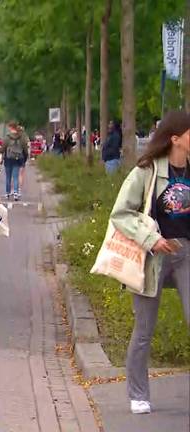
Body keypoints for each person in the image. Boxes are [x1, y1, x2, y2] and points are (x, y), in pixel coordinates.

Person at [109, 110, 190, 415]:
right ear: (175, 139)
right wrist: (151, 239)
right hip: (152, 256)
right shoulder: (147, 170)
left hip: (186, 254)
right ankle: (138, 393)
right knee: (144, 329)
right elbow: (120, 213)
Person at [1, 122, 29, 201]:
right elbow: (25, 148)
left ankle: (7, 193)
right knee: (16, 176)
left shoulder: (7, 137)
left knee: (8, 177)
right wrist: (25, 156)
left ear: (10, 128)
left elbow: (3, 148)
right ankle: (16, 193)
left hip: (8, 158)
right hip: (17, 158)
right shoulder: (21, 137)